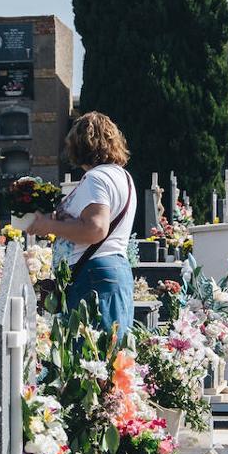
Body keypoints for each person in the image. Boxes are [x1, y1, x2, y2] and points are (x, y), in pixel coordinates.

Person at [27, 112, 136, 341]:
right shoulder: (122, 176)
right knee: (110, 358)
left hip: (92, 276)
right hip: (111, 271)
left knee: (89, 362)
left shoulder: (95, 178)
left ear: (79, 145)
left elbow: (95, 229)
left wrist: (49, 225)